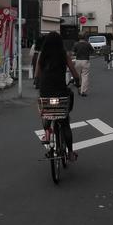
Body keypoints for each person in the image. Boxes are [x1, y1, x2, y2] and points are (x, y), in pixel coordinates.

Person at [35, 31, 80, 162]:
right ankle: (70, 153)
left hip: (46, 91)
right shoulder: (63, 55)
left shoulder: (42, 56)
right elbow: (73, 70)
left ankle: (47, 133)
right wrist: (77, 81)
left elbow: (37, 73)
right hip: (60, 91)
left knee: (45, 112)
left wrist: (38, 82)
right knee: (65, 123)